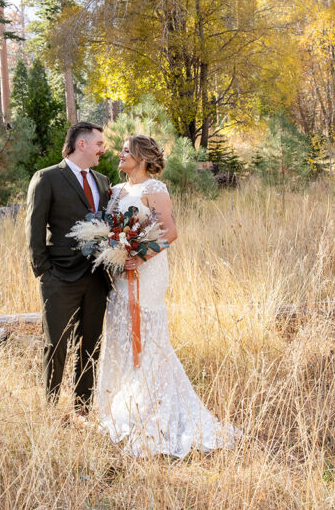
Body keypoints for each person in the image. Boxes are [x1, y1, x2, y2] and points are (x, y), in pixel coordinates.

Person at [94, 134, 239, 457]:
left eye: (127, 151)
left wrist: (139, 256)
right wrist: (115, 251)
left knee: (146, 337)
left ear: (143, 157)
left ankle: (152, 408)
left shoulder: (154, 190)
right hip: (120, 274)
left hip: (147, 273)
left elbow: (169, 232)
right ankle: (121, 408)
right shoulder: (115, 191)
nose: (120, 153)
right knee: (119, 330)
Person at [25, 122, 112, 416]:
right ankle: (50, 407)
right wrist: (43, 271)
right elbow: (34, 229)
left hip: (97, 277)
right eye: (99, 143)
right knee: (56, 343)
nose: (103, 149)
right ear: (82, 145)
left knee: (91, 344)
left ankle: (82, 408)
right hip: (59, 276)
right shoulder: (47, 178)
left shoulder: (102, 181)